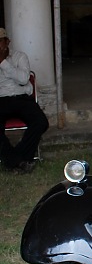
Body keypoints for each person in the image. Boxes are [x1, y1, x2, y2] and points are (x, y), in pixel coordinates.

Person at [0, 28, 49, 173]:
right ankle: (21, 161)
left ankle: (15, 159)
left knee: (41, 122)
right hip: (0, 100)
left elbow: (23, 80)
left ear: (7, 42)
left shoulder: (19, 57)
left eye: (0, 42)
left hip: (21, 97)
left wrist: (3, 62)